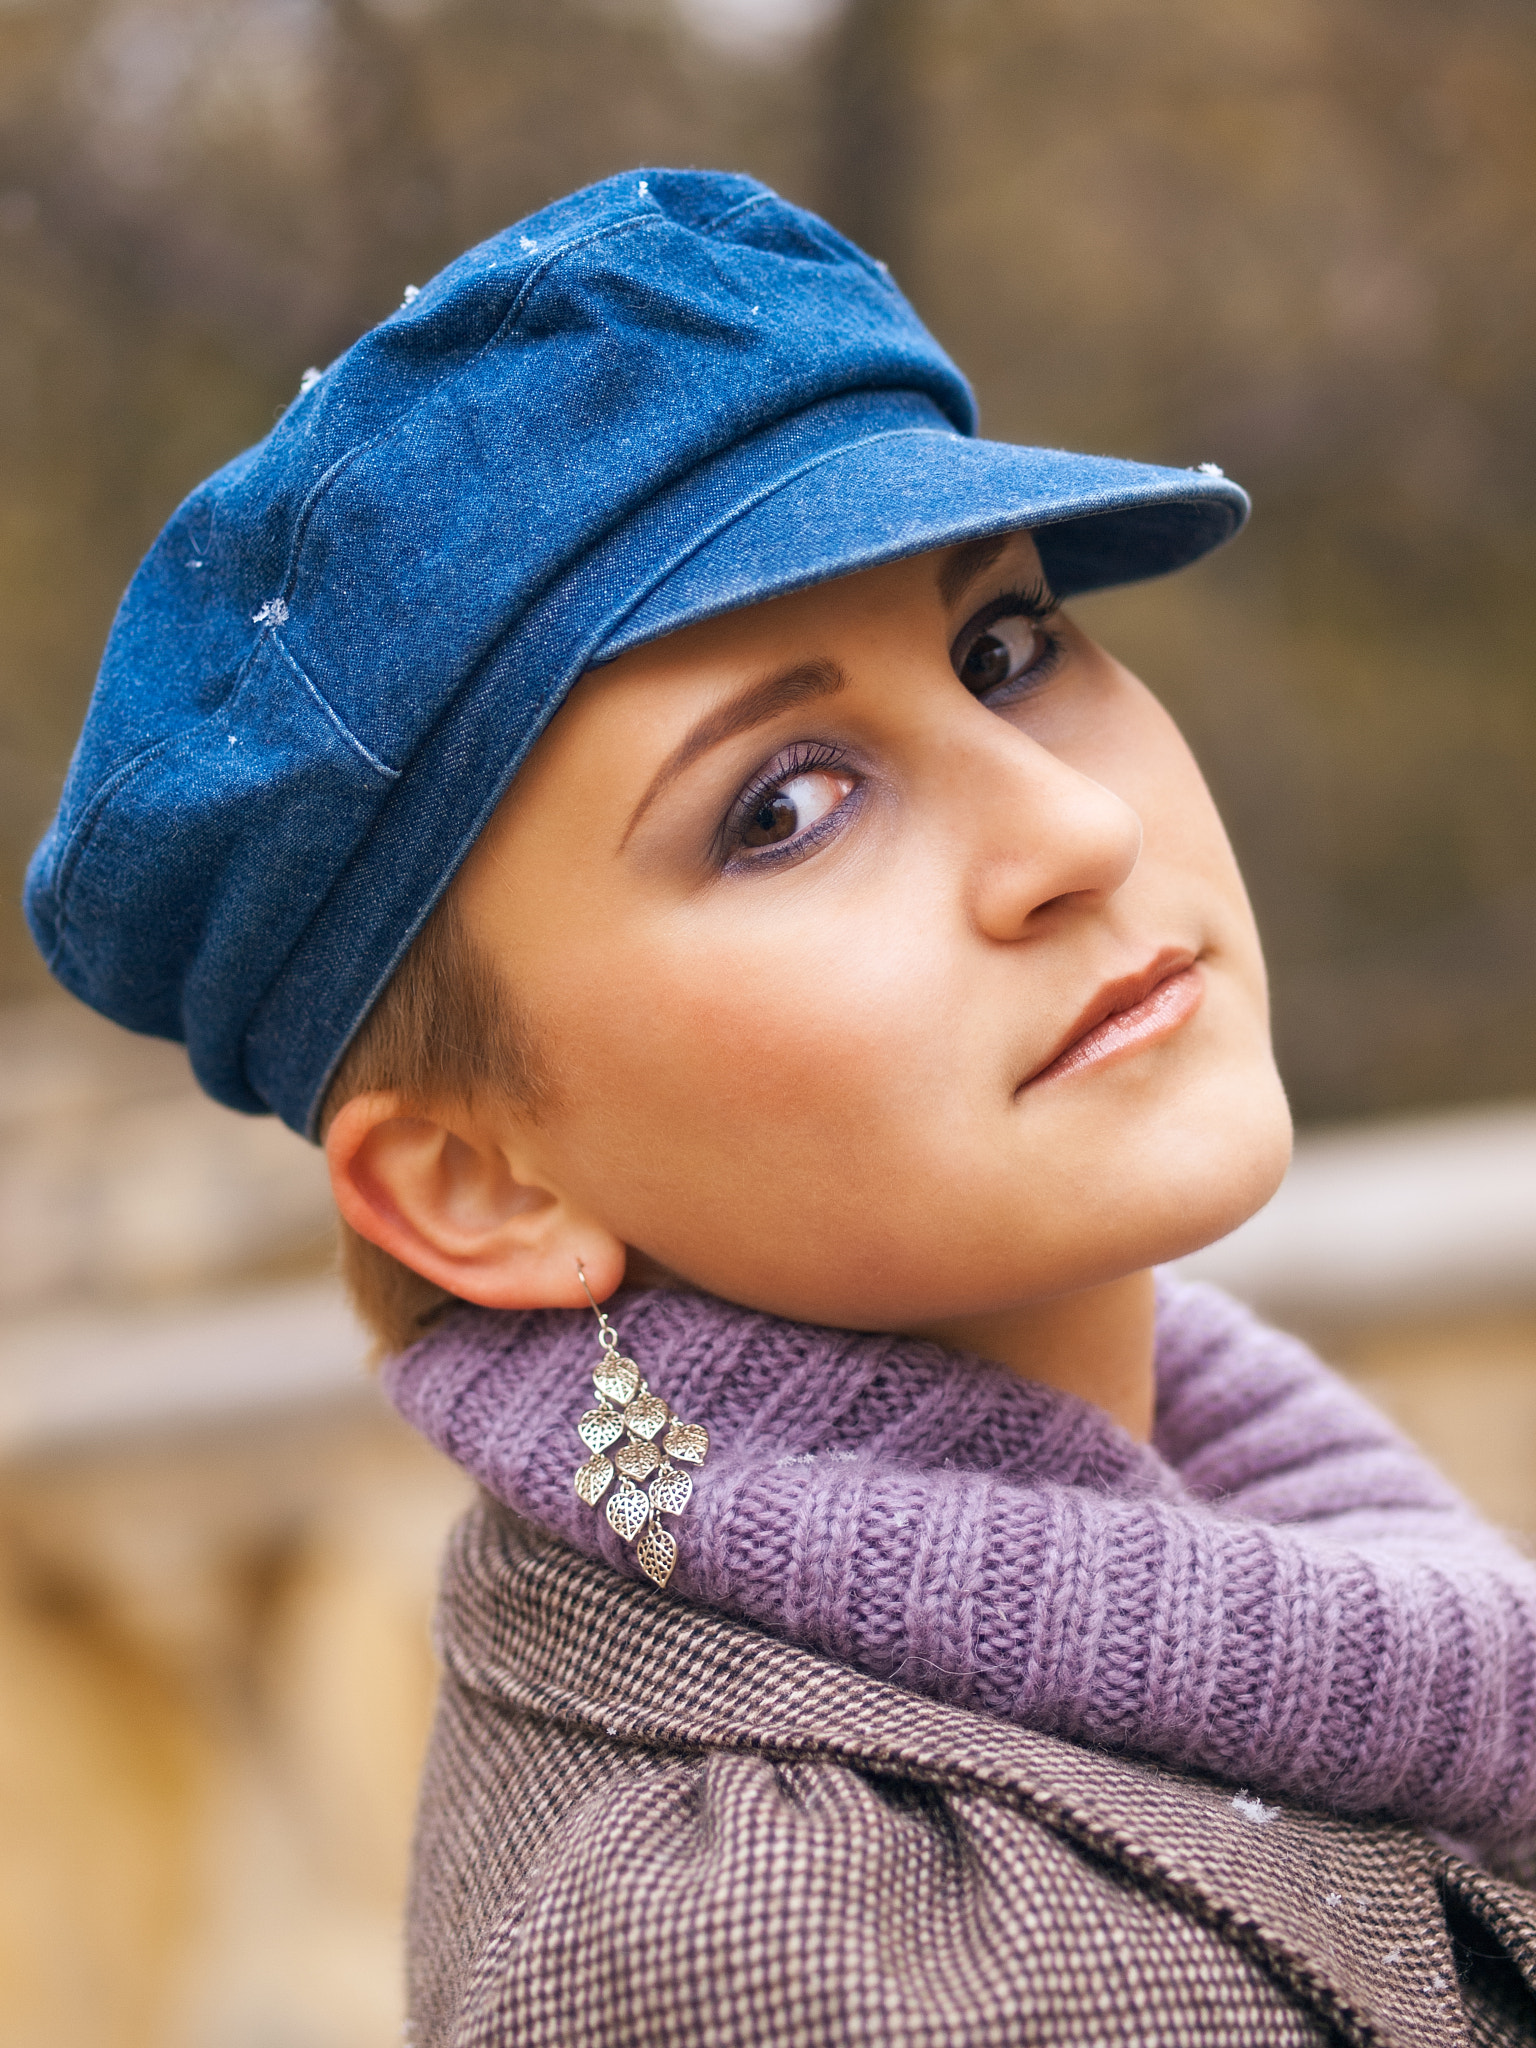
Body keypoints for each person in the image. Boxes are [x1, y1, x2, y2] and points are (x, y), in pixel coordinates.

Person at [26, 168, 1536, 2046]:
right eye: (784, 807)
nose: (1078, 831)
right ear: (473, 1181)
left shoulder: (1228, 1515)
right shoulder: (783, 1950)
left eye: (1007, 647)